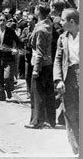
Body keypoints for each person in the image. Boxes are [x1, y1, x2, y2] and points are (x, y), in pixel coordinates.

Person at [25, 4, 56, 129]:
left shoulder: (40, 30)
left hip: (40, 64)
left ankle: (37, 121)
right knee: (49, 93)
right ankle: (50, 120)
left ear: (38, 12)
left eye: (36, 9)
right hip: (49, 63)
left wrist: (36, 70)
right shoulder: (49, 25)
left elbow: (39, 52)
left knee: (37, 94)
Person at [54, 8, 79, 155]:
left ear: (72, 22)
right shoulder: (62, 38)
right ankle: (77, 149)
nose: (60, 22)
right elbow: (58, 60)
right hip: (68, 78)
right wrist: (58, 79)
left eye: (62, 20)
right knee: (69, 113)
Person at [0, 14, 20, 101]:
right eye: (0, 20)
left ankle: (9, 90)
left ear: (6, 21)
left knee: (7, 77)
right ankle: (1, 96)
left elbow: (18, 41)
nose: (1, 22)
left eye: (3, 20)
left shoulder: (10, 31)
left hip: (8, 57)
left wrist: (15, 49)